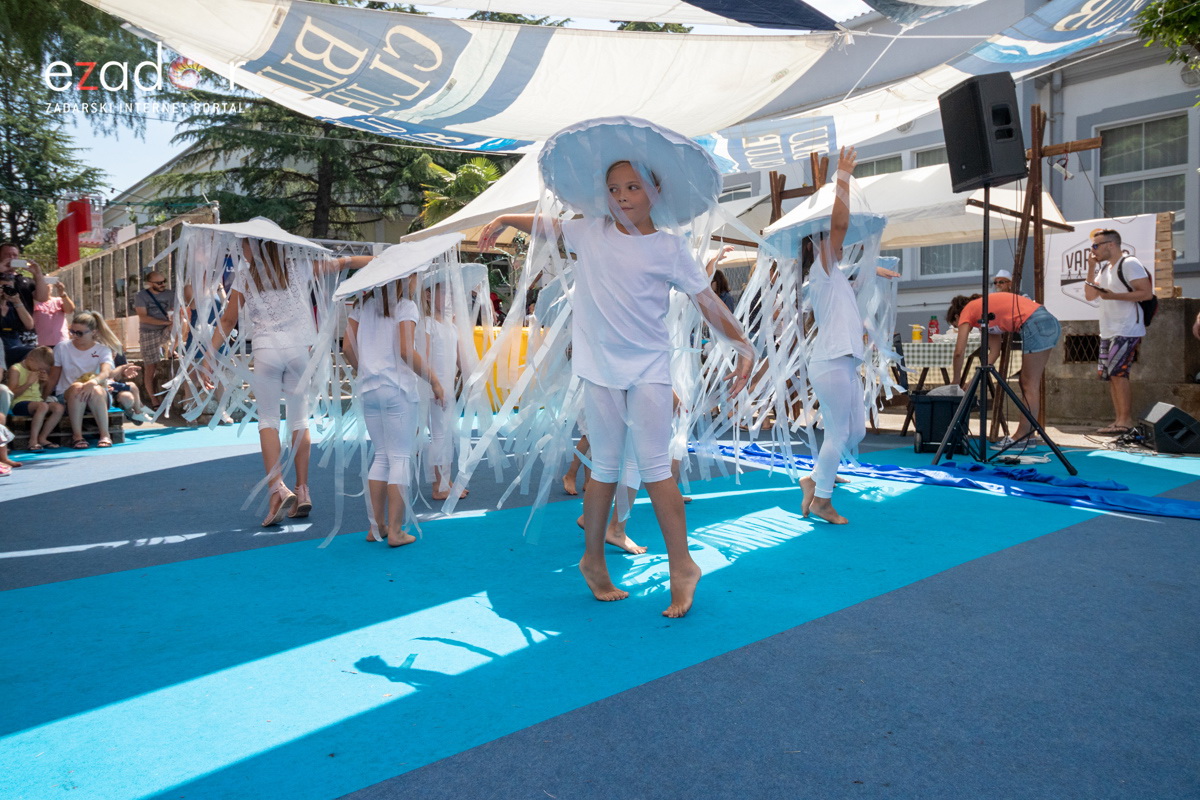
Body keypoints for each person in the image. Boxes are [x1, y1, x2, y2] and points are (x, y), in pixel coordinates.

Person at [478, 159, 753, 619]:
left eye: (632, 187)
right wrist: (506, 217)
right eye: (613, 188)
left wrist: (743, 346)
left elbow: (706, 300)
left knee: (655, 467)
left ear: (655, 193)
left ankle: (682, 565)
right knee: (603, 467)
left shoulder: (669, 248)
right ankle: (592, 560)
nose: (622, 196)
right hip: (599, 368)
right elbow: (547, 226)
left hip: (648, 367)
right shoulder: (590, 232)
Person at [210, 239, 371, 526]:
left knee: (268, 419)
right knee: (300, 420)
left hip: (266, 352)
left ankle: (277, 488)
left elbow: (227, 321)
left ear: (255, 248)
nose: (242, 251)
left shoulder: (244, 277)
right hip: (300, 351)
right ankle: (303, 490)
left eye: (245, 245)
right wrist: (383, 262)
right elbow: (345, 262)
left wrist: (208, 356)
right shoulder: (300, 268)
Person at [795, 147, 902, 525]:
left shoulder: (832, 274)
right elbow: (838, 227)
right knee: (840, 432)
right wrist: (841, 177)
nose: (837, 242)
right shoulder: (822, 270)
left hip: (840, 362)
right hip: (830, 362)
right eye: (829, 239)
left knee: (854, 430)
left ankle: (813, 480)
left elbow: (855, 268)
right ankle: (822, 499)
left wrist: (875, 273)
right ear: (819, 244)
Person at [344, 276, 446, 547]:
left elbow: (346, 347)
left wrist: (364, 369)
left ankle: (376, 526)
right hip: (397, 389)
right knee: (400, 457)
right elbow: (405, 349)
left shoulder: (362, 305)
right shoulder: (405, 306)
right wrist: (434, 380)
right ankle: (397, 531)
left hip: (369, 388)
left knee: (381, 456)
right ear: (405, 277)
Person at [946, 289, 1061, 447]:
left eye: (958, 325)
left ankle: (1023, 436)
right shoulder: (985, 313)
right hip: (1046, 321)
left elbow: (959, 352)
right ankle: (1029, 435)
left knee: (1029, 384)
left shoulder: (968, 309)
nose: (966, 328)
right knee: (1028, 383)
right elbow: (994, 352)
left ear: (958, 316)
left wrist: (956, 380)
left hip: (1035, 323)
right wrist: (974, 380)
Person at [1084, 228, 1153, 436]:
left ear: (1110, 245)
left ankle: (1125, 420)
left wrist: (1114, 296)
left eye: (1096, 246)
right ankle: (1118, 420)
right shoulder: (1105, 269)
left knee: (1119, 373)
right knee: (1112, 376)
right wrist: (1091, 267)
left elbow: (1146, 293)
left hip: (1127, 327)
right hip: (1108, 329)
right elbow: (1089, 295)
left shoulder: (1129, 263)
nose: (1093, 250)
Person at [420, 281, 466, 501]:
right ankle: (439, 485)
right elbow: (424, 355)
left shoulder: (452, 326)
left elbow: (459, 358)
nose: (449, 299)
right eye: (444, 293)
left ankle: (446, 479)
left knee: (447, 434)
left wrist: (468, 376)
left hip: (447, 386)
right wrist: (434, 383)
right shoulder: (428, 324)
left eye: (451, 294)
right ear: (428, 296)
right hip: (434, 387)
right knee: (439, 434)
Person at [47, 311, 121, 449]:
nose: (74, 336)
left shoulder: (103, 349)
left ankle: (105, 435)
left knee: (96, 389)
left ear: (93, 332)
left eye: (79, 333)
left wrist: (93, 382)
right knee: (76, 387)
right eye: (72, 331)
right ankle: (77, 436)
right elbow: (53, 376)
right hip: (68, 393)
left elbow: (106, 371)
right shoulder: (62, 347)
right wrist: (43, 396)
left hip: (96, 393)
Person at [5, 346, 64, 451]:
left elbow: (42, 396)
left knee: (59, 408)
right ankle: (33, 441)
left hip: (38, 402)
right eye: (40, 367)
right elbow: (11, 394)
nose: (41, 370)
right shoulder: (16, 369)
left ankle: (42, 437)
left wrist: (44, 383)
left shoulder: (37, 370)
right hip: (19, 403)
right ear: (31, 359)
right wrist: (28, 383)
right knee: (42, 406)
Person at [134, 271, 177, 410]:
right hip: (148, 332)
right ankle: (154, 399)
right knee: (150, 367)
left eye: (164, 281)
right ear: (150, 284)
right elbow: (144, 317)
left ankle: (171, 350)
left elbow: (176, 311)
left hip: (165, 328)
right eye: (159, 283)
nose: (163, 284)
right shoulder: (141, 296)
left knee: (181, 322)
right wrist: (166, 323)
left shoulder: (170, 294)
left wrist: (174, 318)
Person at [0, 271, 36, 366]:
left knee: (38, 353)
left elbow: (29, 325)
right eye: (3, 287)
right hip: (1, 342)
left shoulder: (13, 305)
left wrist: (17, 302)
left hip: (14, 339)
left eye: (10, 287)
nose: (6, 290)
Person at [33, 280, 74, 347]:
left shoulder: (58, 300)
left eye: (49, 283)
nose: (47, 286)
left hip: (62, 342)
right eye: (44, 283)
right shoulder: (34, 302)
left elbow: (70, 310)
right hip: (43, 344)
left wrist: (62, 293)